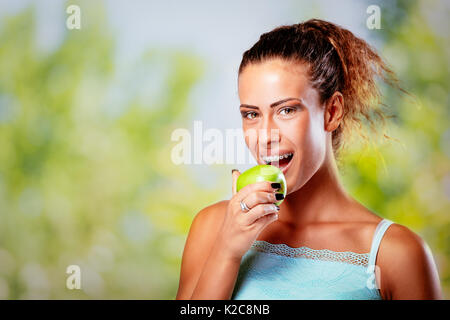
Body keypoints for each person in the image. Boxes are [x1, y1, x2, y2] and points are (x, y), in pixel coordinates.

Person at [175, 19, 442, 300]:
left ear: (332, 112)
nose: (265, 136)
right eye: (251, 114)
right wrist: (227, 251)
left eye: (287, 110)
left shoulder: (396, 254)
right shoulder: (213, 227)